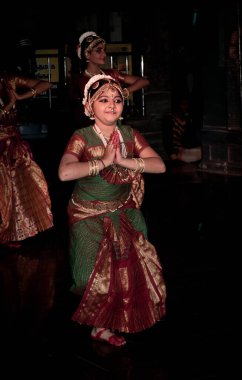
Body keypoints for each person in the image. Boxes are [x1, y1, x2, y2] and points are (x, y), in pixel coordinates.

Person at [58, 74, 166, 347]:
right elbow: (65, 172)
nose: (111, 105)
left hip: (124, 211)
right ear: (89, 106)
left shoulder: (129, 134)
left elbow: (159, 165)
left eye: (117, 100)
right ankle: (98, 319)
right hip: (87, 214)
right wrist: (103, 161)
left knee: (126, 269)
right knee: (88, 275)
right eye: (103, 100)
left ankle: (102, 327)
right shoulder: (81, 136)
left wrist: (125, 161)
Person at [0, 70, 54, 249]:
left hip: (13, 145)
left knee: (20, 187)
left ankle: (8, 233)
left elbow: (46, 84)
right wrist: (9, 106)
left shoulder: (9, 79)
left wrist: (22, 97)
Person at [69, 31, 150, 128]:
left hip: (114, 125)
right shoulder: (79, 80)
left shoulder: (111, 74)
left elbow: (144, 81)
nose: (104, 54)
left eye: (104, 50)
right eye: (99, 51)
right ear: (87, 54)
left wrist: (124, 92)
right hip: (91, 128)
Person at [162, 97, 202, 163]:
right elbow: (167, 139)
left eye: (187, 104)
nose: (185, 107)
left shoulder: (188, 119)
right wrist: (173, 156)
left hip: (187, 150)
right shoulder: (170, 119)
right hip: (177, 153)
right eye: (183, 104)